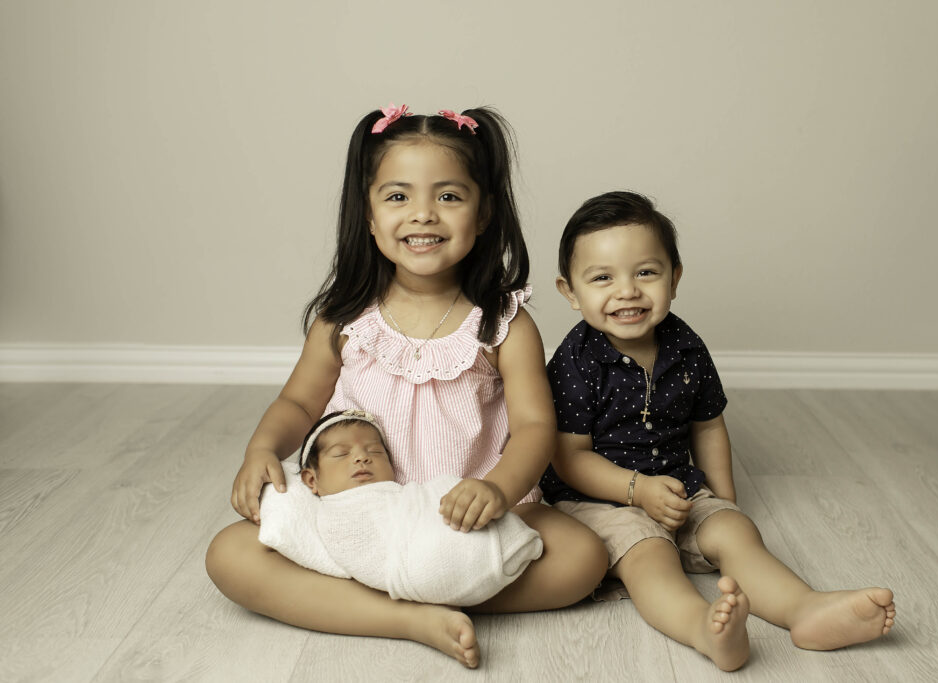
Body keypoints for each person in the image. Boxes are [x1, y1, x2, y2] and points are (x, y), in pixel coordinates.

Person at [205, 105, 607, 669]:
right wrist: (262, 449)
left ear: (484, 212)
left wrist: (497, 489)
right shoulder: (344, 318)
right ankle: (411, 616)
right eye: (397, 197)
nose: (423, 215)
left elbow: (537, 427)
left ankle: (389, 592)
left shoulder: (502, 322)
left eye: (448, 196)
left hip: (464, 515)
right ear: (367, 215)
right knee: (229, 554)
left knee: (584, 556)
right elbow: (298, 401)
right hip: (357, 512)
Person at [540, 190, 896, 671]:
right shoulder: (575, 361)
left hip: (677, 486)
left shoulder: (686, 346)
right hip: (597, 499)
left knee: (737, 534)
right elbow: (568, 457)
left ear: (675, 277)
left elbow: (708, 426)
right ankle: (704, 630)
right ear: (570, 292)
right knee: (650, 559)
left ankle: (805, 609)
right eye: (602, 278)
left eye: (646, 272)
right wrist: (636, 490)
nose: (627, 290)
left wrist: (723, 502)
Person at [256, 409, 542, 606]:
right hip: (411, 569)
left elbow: (420, 505)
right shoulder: (335, 514)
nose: (361, 458)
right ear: (310, 480)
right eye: (342, 454)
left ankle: (433, 595)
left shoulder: (402, 495)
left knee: (580, 554)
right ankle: (418, 608)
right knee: (232, 552)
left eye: (375, 452)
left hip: (447, 530)